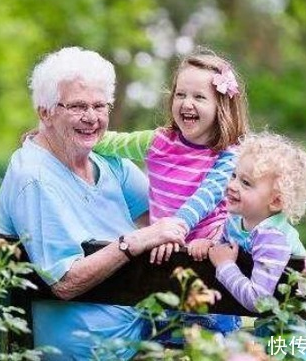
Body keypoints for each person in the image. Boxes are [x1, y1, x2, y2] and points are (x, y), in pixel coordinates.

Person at [0, 46, 188, 360]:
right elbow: (65, 281)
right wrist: (133, 242)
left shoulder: (110, 163)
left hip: (144, 342)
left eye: (100, 106)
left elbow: (173, 220)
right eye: (78, 106)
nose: (92, 117)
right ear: (45, 112)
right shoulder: (34, 178)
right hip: (85, 352)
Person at [93, 48, 250, 264]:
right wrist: (61, 133)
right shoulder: (158, 142)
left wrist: (173, 229)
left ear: (221, 108)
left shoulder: (228, 156)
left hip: (210, 253)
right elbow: (110, 143)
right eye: (180, 94)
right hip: (164, 248)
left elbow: (205, 198)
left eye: (199, 97)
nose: (187, 103)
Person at [206, 131, 306, 313]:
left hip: (297, 329)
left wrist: (225, 266)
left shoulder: (272, 238)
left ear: (276, 201)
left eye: (245, 183)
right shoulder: (235, 222)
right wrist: (208, 244)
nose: (232, 185)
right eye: (234, 176)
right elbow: (221, 250)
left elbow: (258, 301)